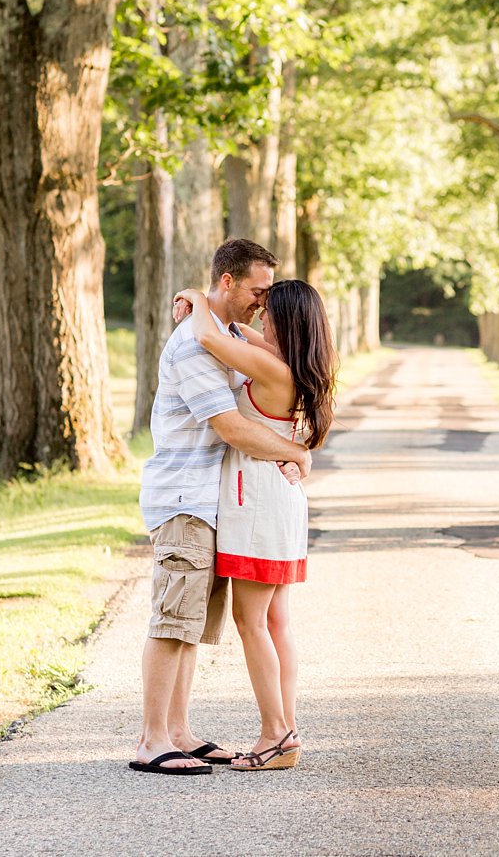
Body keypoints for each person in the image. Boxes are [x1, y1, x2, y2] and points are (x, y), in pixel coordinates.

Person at [130, 239, 312, 777]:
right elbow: (231, 427)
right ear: (227, 281)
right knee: (172, 622)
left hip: (218, 505)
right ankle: (151, 739)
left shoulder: (229, 337)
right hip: (186, 498)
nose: (263, 302)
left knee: (193, 626)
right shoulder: (194, 342)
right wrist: (297, 451)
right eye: (257, 290)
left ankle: (180, 731)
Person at [172, 278, 336, 771]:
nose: (259, 319)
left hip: (257, 502)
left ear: (286, 323)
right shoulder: (298, 365)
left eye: (268, 313)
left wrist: (198, 299)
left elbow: (210, 338)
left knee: (251, 622)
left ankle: (276, 735)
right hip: (279, 502)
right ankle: (286, 729)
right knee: (276, 622)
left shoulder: (269, 366)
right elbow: (240, 331)